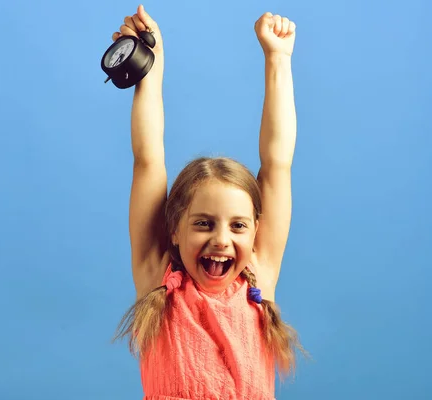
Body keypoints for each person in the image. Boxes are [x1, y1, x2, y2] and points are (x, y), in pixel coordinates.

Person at [112, 5, 306, 399]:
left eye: (238, 225)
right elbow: (148, 158)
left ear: (256, 230)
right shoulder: (159, 280)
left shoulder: (258, 276)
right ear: (175, 230)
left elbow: (278, 162)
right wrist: (151, 68)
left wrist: (279, 59)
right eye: (203, 223)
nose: (221, 239)